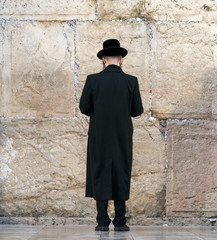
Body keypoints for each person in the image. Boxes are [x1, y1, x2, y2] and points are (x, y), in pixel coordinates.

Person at [79, 39, 143, 231]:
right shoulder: (131, 81)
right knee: (121, 172)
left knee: (99, 171)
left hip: (99, 135)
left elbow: (84, 107)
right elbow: (137, 110)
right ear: (121, 60)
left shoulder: (93, 80)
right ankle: (121, 221)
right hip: (122, 135)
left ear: (104, 60)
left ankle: (103, 221)